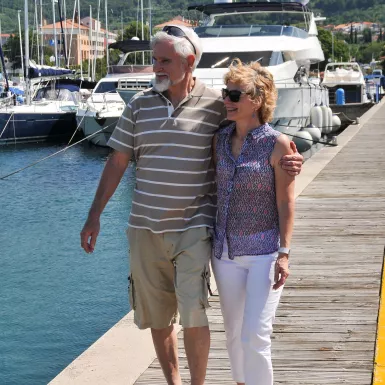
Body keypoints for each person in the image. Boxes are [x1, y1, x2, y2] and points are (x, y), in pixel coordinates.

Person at [80, 25, 302, 385]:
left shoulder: (216, 104)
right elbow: (117, 161)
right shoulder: (139, 106)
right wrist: (94, 216)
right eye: (155, 60)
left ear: (189, 61)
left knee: (195, 314)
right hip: (144, 227)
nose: (157, 67)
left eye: (165, 61)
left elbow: (255, 125)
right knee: (157, 316)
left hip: (196, 227)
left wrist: (289, 158)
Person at [211, 59, 295, 385]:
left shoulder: (278, 145)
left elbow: (286, 201)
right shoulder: (219, 140)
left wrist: (285, 253)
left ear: (257, 100)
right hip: (225, 254)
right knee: (232, 334)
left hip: (264, 252)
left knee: (255, 335)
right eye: (225, 93)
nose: (227, 100)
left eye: (235, 94)